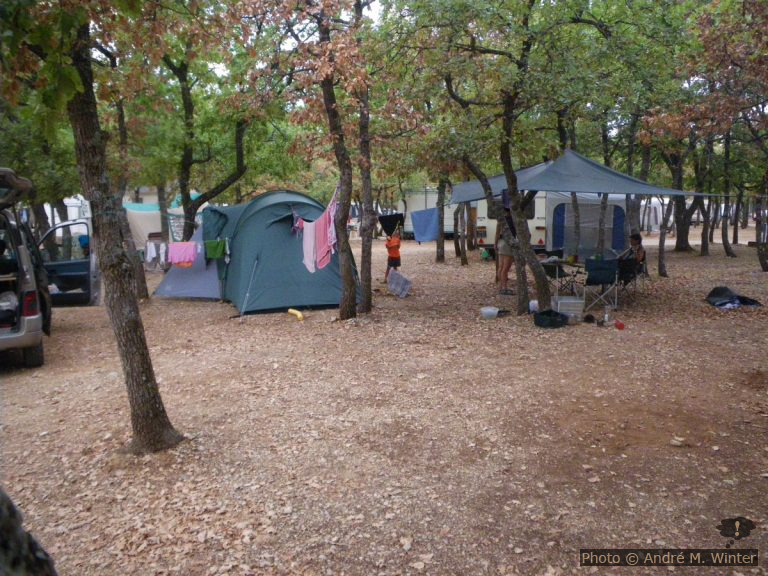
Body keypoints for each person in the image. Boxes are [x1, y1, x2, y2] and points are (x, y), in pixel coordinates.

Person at [496, 208, 517, 295]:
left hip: (501, 243)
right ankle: (504, 288)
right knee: (505, 268)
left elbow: (497, 233)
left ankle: (501, 287)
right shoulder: (514, 220)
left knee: (501, 267)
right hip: (508, 244)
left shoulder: (501, 220)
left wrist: (495, 244)